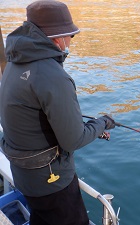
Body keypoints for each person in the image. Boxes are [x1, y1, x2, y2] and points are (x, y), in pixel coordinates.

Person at [0, 1, 115, 225]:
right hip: (50, 182)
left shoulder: (15, 62)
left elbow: (32, 114)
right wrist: (103, 123)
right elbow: (73, 140)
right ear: (57, 37)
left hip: (24, 175)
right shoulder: (53, 76)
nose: (71, 40)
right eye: (70, 34)